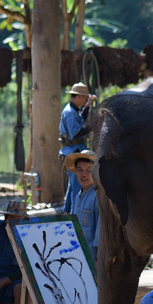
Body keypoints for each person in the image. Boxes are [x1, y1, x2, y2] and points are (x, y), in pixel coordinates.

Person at [59, 83, 96, 213]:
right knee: (76, 187)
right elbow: (75, 132)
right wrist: (92, 127)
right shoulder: (70, 112)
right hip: (72, 151)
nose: (85, 100)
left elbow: (80, 119)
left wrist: (88, 105)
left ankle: (67, 211)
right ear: (79, 96)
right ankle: (75, 216)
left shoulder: (72, 110)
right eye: (85, 98)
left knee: (72, 185)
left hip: (72, 150)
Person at [64, 149, 99, 261]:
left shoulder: (97, 196)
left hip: (93, 258)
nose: (84, 174)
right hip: (78, 256)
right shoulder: (78, 195)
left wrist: (99, 259)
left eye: (89, 170)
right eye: (80, 170)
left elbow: (101, 232)